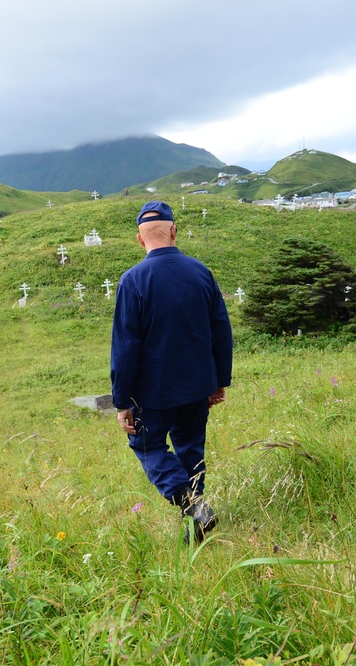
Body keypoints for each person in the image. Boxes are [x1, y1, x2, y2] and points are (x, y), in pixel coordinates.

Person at [110, 201, 233, 543]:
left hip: (151, 393)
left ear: (139, 239)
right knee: (191, 450)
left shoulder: (132, 281)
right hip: (197, 386)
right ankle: (198, 521)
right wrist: (219, 381)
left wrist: (122, 401)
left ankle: (194, 509)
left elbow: (125, 346)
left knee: (146, 446)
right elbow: (221, 331)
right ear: (174, 232)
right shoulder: (201, 273)